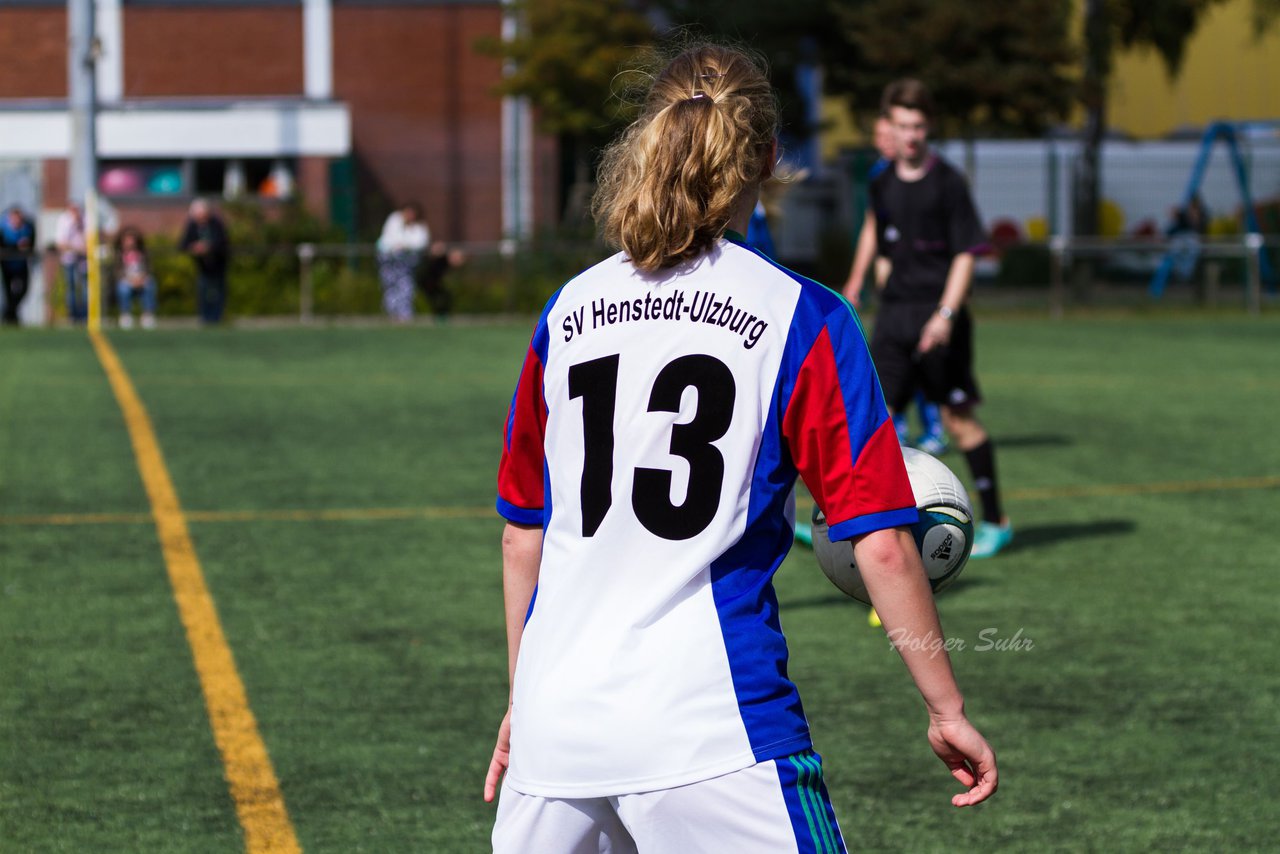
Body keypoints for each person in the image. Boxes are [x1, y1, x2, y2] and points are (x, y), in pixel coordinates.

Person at [484, 45, 997, 852]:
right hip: (712, 734)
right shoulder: (801, 316)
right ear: (766, 158)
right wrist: (946, 708)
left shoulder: (568, 311)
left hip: (553, 742)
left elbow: (524, 535)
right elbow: (883, 543)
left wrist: (526, 703)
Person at [860, 79, 1011, 560]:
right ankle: (875, 527)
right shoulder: (881, 182)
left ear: (929, 128)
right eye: (903, 125)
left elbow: (968, 254)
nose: (911, 135)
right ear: (891, 126)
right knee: (875, 422)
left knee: (958, 421)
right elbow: (883, 241)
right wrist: (880, 280)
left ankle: (996, 520)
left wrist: (945, 315)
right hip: (895, 318)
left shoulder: (948, 182)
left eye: (919, 126)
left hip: (940, 317)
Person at [845, 114, 947, 458]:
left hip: (920, 289)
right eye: (878, 134)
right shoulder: (880, 175)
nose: (881, 140)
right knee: (892, 361)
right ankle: (898, 426)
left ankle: (934, 426)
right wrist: (861, 278)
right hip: (894, 290)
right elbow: (875, 231)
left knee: (920, 360)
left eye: (885, 133)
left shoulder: (927, 175)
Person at [179, 198, 230, 325]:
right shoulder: (192, 225)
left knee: (219, 291)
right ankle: (205, 317)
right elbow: (182, 245)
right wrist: (194, 247)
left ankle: (217, 317)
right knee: (203, 290)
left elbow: (222, 243)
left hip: (218, 264)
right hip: (202, 266)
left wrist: (208, 247)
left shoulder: (216, 224)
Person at [376, 202, 429, 322]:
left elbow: (420, 244)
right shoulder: (394, 220)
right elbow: (390, 239)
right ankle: (391, 314)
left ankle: (405, 315)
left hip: (406, 264)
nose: (410, 216)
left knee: (406, 287)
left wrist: (404, 245)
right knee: (390, 287)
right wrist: (402, 245)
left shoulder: (419, 228)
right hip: (388, 260)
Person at [113, 226, 158, 330]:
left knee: (150, 284)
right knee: (123, 288)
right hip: (126, 280)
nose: (130, 242)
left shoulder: (143, 253)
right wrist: (130, 280)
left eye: (132, 240)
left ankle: (148, 315)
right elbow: (117, 272)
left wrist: (142, 278)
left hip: (141, 279)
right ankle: (125, 315)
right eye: (127, 240)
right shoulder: (119, 254)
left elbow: (149, 269)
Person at [415, 241, 466, 322]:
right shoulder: (442, 258)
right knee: (439, 297)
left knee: (445, 296)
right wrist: (435, 251)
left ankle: (441, 315)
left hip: (432, 283)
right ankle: (439, 315)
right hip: (426, 281)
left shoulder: (447, 263)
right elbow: (434, 252)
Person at [0, 205, 35, 326]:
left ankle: (9, 312)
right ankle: (11, 317)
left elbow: (31, 243)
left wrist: (28, 247)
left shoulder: (27, 227)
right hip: (7, 265)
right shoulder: (3, 228)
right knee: (8, 292)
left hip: (21, 264)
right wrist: (15, 247)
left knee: (24, 289)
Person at [54, 202, 88, 323]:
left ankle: (85, 315)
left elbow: (90, 241)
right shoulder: (64, 220)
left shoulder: (86, 219)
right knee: (71, 288)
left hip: (85, 261)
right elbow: (61, 244)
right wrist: (77, 249)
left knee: (85, 288)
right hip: (69, 260)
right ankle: (73, 315)